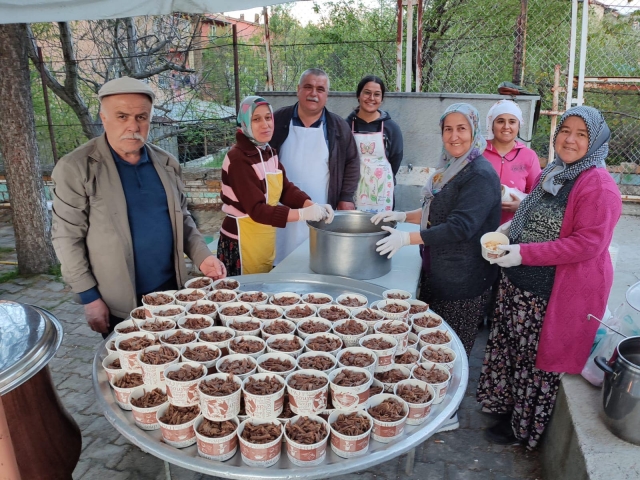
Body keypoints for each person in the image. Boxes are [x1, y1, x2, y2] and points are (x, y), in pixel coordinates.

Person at [476, 106, 622, 449]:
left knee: (533, 360)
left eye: (581, 134)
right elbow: (535, 211)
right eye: (565, 130)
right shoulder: (556, 171)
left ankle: (521, 428)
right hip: (520, 283)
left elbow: (587, 244)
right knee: (511, 347)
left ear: (596, 141)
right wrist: (511, 228)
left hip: (552, 292)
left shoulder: (598, 185)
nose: (569, 139)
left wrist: (524, 252)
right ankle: (503, 406)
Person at [51, 77, 226, 336]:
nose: (133, 126)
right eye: (122, 116)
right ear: (104, 118)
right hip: (118, 303)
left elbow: (183, 219)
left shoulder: (166, 163)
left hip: (171, 294)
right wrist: (89, 297)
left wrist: (203, 256)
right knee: (131, 370)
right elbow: (67, 238)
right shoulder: (77, 168)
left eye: (141, 117)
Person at [372, 104, 501, 432]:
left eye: (461, 128)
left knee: (451, 349)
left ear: (474, 132)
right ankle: (433, 402)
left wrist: (407, 238)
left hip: (464, 278)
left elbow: (460, 226)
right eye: (448, 129)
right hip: (441, 270)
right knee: (435, 345)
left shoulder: (480, 174)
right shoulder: (452, 169)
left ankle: (449, 413)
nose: (454, 135)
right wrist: (403, 215)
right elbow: (435, 211)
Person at [217, 96, 334, 276]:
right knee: (242, 299)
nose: (265, 124)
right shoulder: (238, 159)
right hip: (240, 241)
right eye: (256, 119)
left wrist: (311, 205)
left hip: (263, 236)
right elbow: (257, 210)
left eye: (268, 117)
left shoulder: (268, 152)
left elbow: (285, 188)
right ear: (245, 123)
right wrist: (302, 215)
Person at [270, 68, 360, 263]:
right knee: (278, 254)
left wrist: (345, 197)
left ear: (327, 95)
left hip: (321, 203)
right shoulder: (277, 120)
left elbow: (352, 161)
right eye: (308, 87)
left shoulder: (338, 126)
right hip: (280, 204)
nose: (314, 93)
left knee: (315, 256)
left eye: (320, 89)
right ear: (298, 89)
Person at [345, 75, 404, 212]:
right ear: (358, 95)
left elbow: (395, 159)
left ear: (382, 99)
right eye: (367, 93)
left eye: (377, 94)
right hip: (353, 193)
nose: (371, 98)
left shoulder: (392, 128)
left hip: (382, 193)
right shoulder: (345, 126)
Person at [483, 100, 541, 224]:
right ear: (492, 125)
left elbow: (538, 195)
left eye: (512, 122)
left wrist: (522, 207)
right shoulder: (479, 152)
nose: (506, 126)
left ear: (519, 125)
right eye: (500, 121)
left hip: (513, 227)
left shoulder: (528, 156)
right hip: (477, 226)